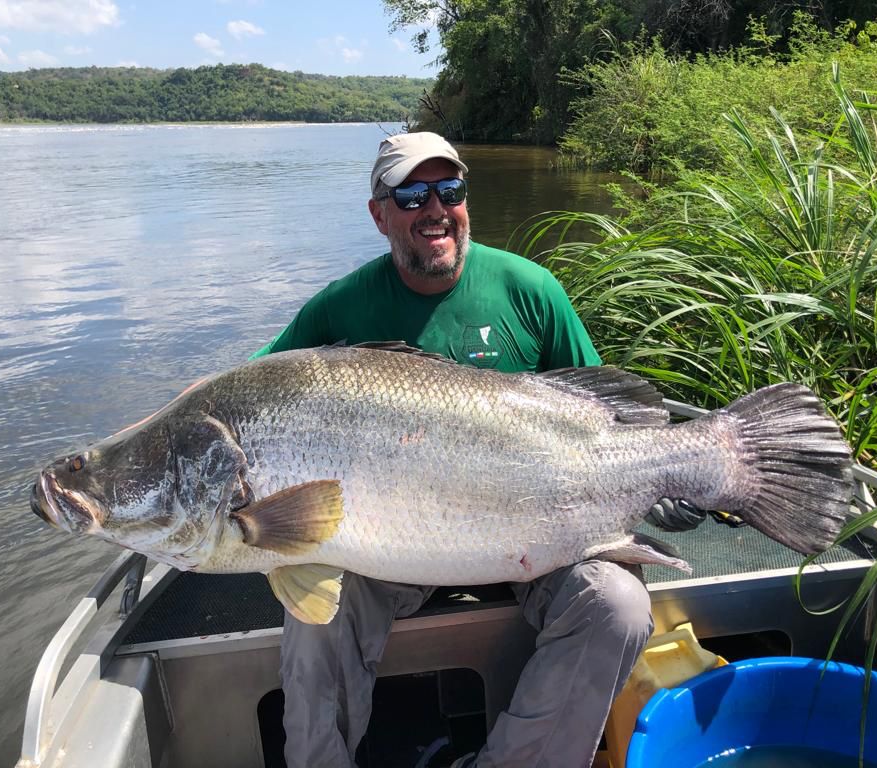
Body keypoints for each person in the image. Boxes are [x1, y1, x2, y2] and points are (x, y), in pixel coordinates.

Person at [251, 132, 705, 768]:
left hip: (537, 534)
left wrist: (674, 472)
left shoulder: (531, 290)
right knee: (314, 617)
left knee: (620, 606)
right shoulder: (339, 307)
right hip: (384, 545)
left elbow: (610, 423)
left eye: (450, 190)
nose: (434, 208)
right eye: (411, 195)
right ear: (379, 214)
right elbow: (252, 389)